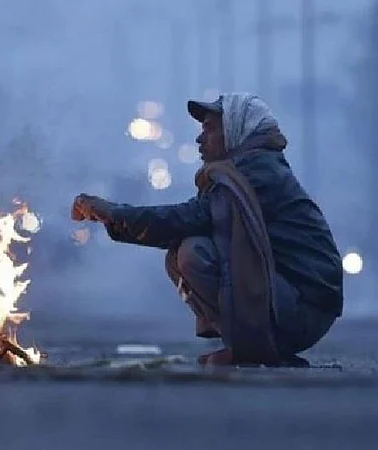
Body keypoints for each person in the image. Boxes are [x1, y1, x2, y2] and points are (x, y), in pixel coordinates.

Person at [71, 93, 343, 367]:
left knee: (194, 252)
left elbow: (187, 218)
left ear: (238, 131)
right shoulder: (246, 169)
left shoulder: (256, 173)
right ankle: (249, 346)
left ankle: (253, 349)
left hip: (305, 308)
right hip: (295, 300)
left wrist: (113, 213)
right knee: (182, 250)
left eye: (210, 129)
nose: (200, 139)